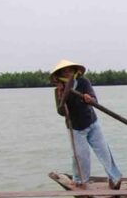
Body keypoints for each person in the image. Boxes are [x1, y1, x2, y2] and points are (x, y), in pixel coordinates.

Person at [52, 59, 122, 190]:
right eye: (65, 71)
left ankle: (115, 178)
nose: (68, 73)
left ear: (74, 71)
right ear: (60, 74)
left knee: (104, 151)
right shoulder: (58, 90)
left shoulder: (83, 82)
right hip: (75, 128)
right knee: (80, 155)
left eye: (70, 70)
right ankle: (80, 181)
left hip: (91, 122)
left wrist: (90, 99)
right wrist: (63, 97)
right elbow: (61, 112)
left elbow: (94, 98)